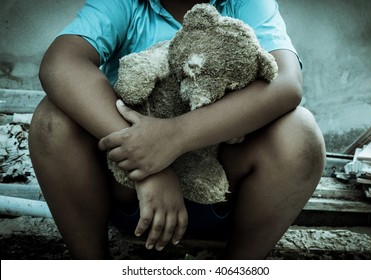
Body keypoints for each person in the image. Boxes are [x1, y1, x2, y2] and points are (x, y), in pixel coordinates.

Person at [29, 0, 326, 259]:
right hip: (128, 193)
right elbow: (61, 62)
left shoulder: (246, 2)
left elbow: (286, 83)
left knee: (300, 133)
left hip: (218, 190)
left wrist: (174, 137)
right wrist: (148, 164)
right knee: (52, 120)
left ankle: (238, 266)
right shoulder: (126, 3)